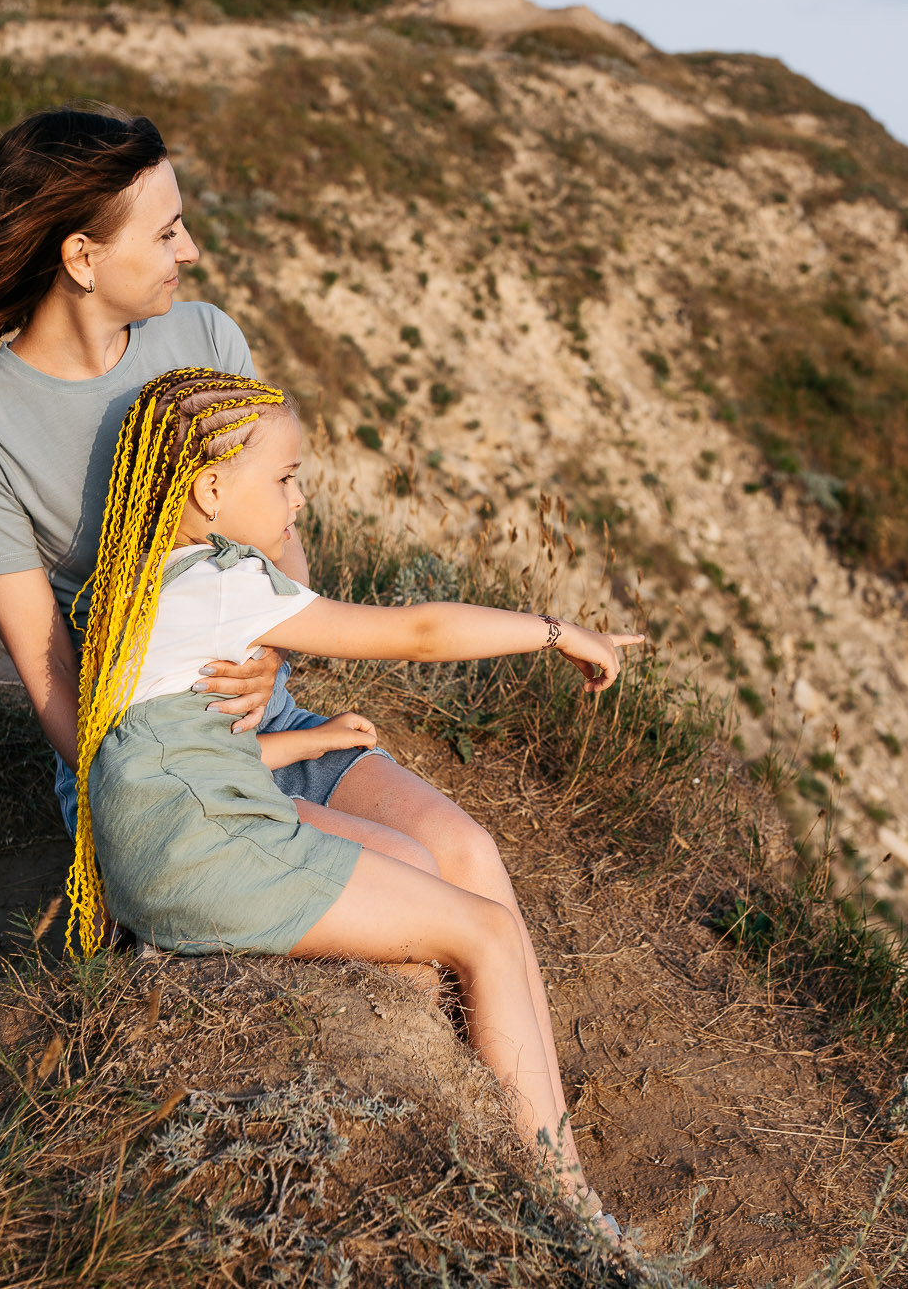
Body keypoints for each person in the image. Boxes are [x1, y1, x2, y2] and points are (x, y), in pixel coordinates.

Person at [0, 104, 609, 1218]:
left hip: (273, 705)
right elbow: (49, 678)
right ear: (82, 258)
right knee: (440, 921)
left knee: (467, 853)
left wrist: (263, 650)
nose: (190, 251)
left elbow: (275, 545)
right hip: (151, 753)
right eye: (168, 232)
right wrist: (200, 722)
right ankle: (522, 1190)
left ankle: (549, 1178)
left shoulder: (205, 338)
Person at [70, 366, 640, 1223]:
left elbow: (174, 749)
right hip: (203, 843)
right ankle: (567, 1201)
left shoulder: (144, 579)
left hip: (189, 820)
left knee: (417, 865)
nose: (300, 499)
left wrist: (315, 740)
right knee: (482, 928)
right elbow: (413, 632)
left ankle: (503, 1104)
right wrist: (558, 631)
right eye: (288, 477)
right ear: (212, 487)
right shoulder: (227, 583)